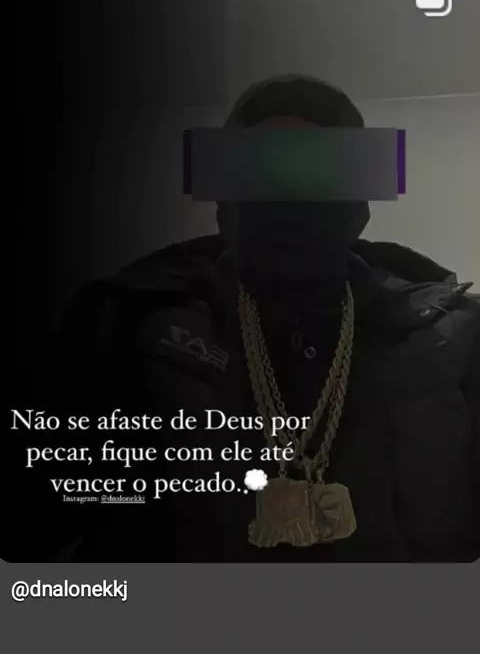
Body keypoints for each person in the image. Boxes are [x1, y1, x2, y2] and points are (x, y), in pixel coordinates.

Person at [9, 75, 480, 563]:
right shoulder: (123, 326)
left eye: (315, 167)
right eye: (260, 167)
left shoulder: (454, 336)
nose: (287, 192)